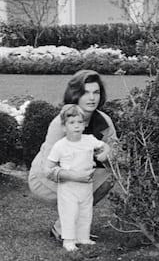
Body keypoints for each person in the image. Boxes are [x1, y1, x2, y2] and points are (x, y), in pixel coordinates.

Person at [28, 69, 118, 241]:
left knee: (109, 177)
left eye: (96, 92)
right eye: (85, 92)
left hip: (78, 174)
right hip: (45, 178)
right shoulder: (59, 123)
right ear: (75, 94)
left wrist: (108, 152)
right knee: (78, 188)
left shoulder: (104, 121)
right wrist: (75, 176)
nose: (92, 98)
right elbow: (48, 169)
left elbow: (117, 152)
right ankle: (64, 228)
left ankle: (68, 226)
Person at [44, 104, 110, 252]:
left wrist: (104, 153)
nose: (76, 126)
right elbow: (49, 167)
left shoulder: (89, 140)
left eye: (79, 122)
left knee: (85, 212)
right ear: (63, 126)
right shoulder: (60, 145)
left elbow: (106, 146)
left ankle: (83, 237)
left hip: (86, 186)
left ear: (84, 123)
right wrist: (67, 174)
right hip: (68, 187)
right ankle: (68, 240)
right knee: (70, 213)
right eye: (71, 123)